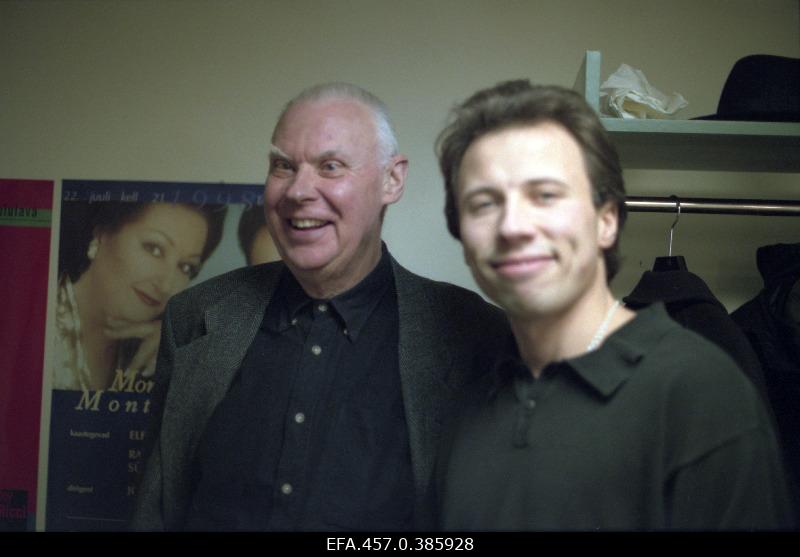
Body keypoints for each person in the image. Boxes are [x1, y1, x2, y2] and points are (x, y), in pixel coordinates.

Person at [130, 83, 509, 531]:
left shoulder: (474, 336)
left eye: (330, 166)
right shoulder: (194, 318)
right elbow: (156, 509)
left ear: (393, 179)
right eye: (283, 166)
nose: (298, 191)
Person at [432, 80, 794, 530]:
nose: (513, 226)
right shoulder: (468, 400)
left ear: (606, 221)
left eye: (545, 195)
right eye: (483, 203)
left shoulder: (701, 395)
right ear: (463, 237)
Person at [54, 201, 226, 391]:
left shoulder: (160, 346)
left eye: (186, 267)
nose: (167, 285)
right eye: (154, 249)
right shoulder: (35, 320)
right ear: (101, 233)